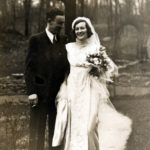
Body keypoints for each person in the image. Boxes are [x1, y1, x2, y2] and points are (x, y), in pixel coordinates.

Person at [52, 17, 132, 150]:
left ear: (88, 29)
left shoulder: (96, 48)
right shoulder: (68, 48)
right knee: (74, 125)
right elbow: (62, 68)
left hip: (90, 89)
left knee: (89, 127)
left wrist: (98, 69)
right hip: (73, 89)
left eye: (82, 28)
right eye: (77, 29)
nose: (79, 31)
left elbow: (112, 69)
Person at [25, 8, 69, 150]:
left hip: (58, 97)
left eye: (63, 23)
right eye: (59, 23)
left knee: (56, 133)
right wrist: (32, 92)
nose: (61, 27)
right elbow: (29, 68)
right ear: (49, 21)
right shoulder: (36, 40)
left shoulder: (63, 40)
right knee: (37, 132)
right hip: (40, 96)